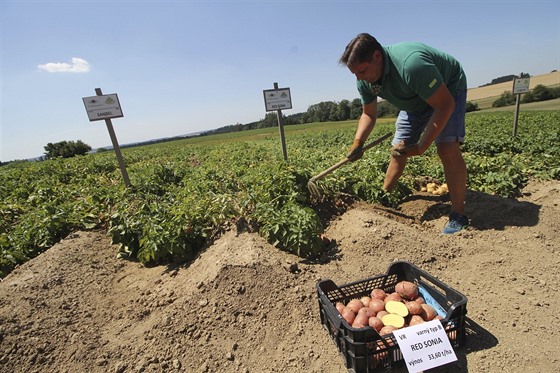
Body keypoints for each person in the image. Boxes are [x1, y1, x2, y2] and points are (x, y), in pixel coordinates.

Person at [339, 33, 469, 234]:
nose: (359, 78)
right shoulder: (364, 79)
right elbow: (369, 114)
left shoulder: (411, 65)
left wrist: (420, 147)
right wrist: (358, 142)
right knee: (398, 151)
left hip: (447, 90)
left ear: (377, 56)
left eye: (362, 70)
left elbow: (445, 105)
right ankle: (384, 197)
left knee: (446, 148)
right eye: (354, 73)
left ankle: (458, 214)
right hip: (412, 101)